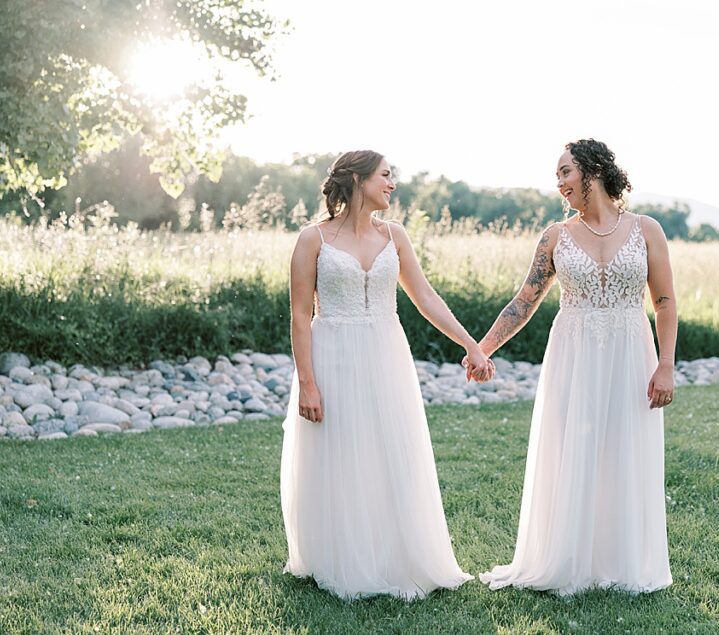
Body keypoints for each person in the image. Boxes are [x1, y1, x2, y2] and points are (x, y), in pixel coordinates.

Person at [280, 150, 493, 600]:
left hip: (386, 354)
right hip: (332, 354)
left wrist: (471, 344)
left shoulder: (394, 236)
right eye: (385, 175)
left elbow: (425, 298)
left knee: (390, 450)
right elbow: (300, 316)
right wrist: (308, 382)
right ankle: (340, 556)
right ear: (358, 180)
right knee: (340, 452)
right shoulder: (312, 240)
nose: (392, 184)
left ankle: (395, 555)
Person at [473, 139, 676, 595]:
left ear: (594, 169)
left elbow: (663, 302)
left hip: (631, 352)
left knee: (625, 451)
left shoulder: (647, 230)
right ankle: (567, 560)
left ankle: (622, 563)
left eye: (565, 172)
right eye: (557, 177)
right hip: (573, 353)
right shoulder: (555, 236)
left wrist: (666, 366)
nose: (560, 184)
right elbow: (525, 301)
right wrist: (482, 348)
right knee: (572, 451)